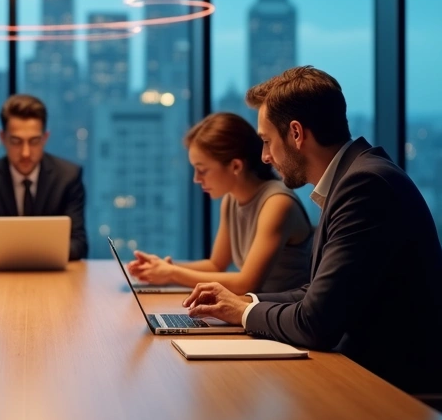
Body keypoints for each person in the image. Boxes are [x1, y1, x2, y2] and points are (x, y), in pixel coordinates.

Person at [182, 66, 442, 396]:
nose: (264, 157)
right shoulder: (353, 178)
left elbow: (315, 323)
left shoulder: (365, 186)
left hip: (407, 400)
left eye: (266, 141)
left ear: (296, 134)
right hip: (371, 380)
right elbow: (315, 293)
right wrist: (242, 301)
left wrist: (244, 312)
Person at [127, 112, 312, 294]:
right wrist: (163, 267)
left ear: (236, 166)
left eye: (202, 170)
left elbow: (246, 284)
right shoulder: (231, 199)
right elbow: (216, 265)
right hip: (258, 312)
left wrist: (172, 273)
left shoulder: (277, 203)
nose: (196, 179)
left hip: (285, 317)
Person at [0, 94, 87, 262]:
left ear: (45, 138)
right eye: (16, 141)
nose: (25, 153)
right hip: (2, 277)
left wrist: (22, 253)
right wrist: (29, 254)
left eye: (34, 141)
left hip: (52, 276)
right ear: (3, 138)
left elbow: (79, 244)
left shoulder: (68, 177)